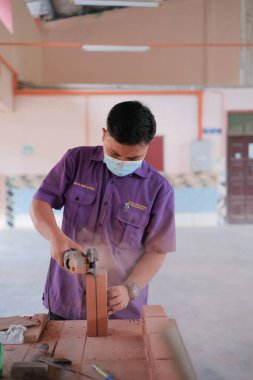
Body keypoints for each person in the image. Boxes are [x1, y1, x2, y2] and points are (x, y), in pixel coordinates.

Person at [30, 100, 176, 320]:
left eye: (134, 158)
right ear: (104, 135)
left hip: (120, 309)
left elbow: (157, 251)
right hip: (67, 299)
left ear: (148, 145)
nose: (123, 162)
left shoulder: (159, 189)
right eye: (115, 154)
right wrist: (55, 237)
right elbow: (39, 203)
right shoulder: (75, 160)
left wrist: (130, 290)